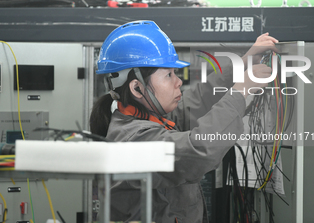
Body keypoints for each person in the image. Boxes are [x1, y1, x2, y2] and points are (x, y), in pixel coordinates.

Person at [90, 20, 278, 223]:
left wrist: (243, 63)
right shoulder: (135, 140)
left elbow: (196, 102)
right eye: (169, 75)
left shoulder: (145, 117)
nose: (178, 81)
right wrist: (240, 92)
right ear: (137, 88)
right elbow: (200, 149)